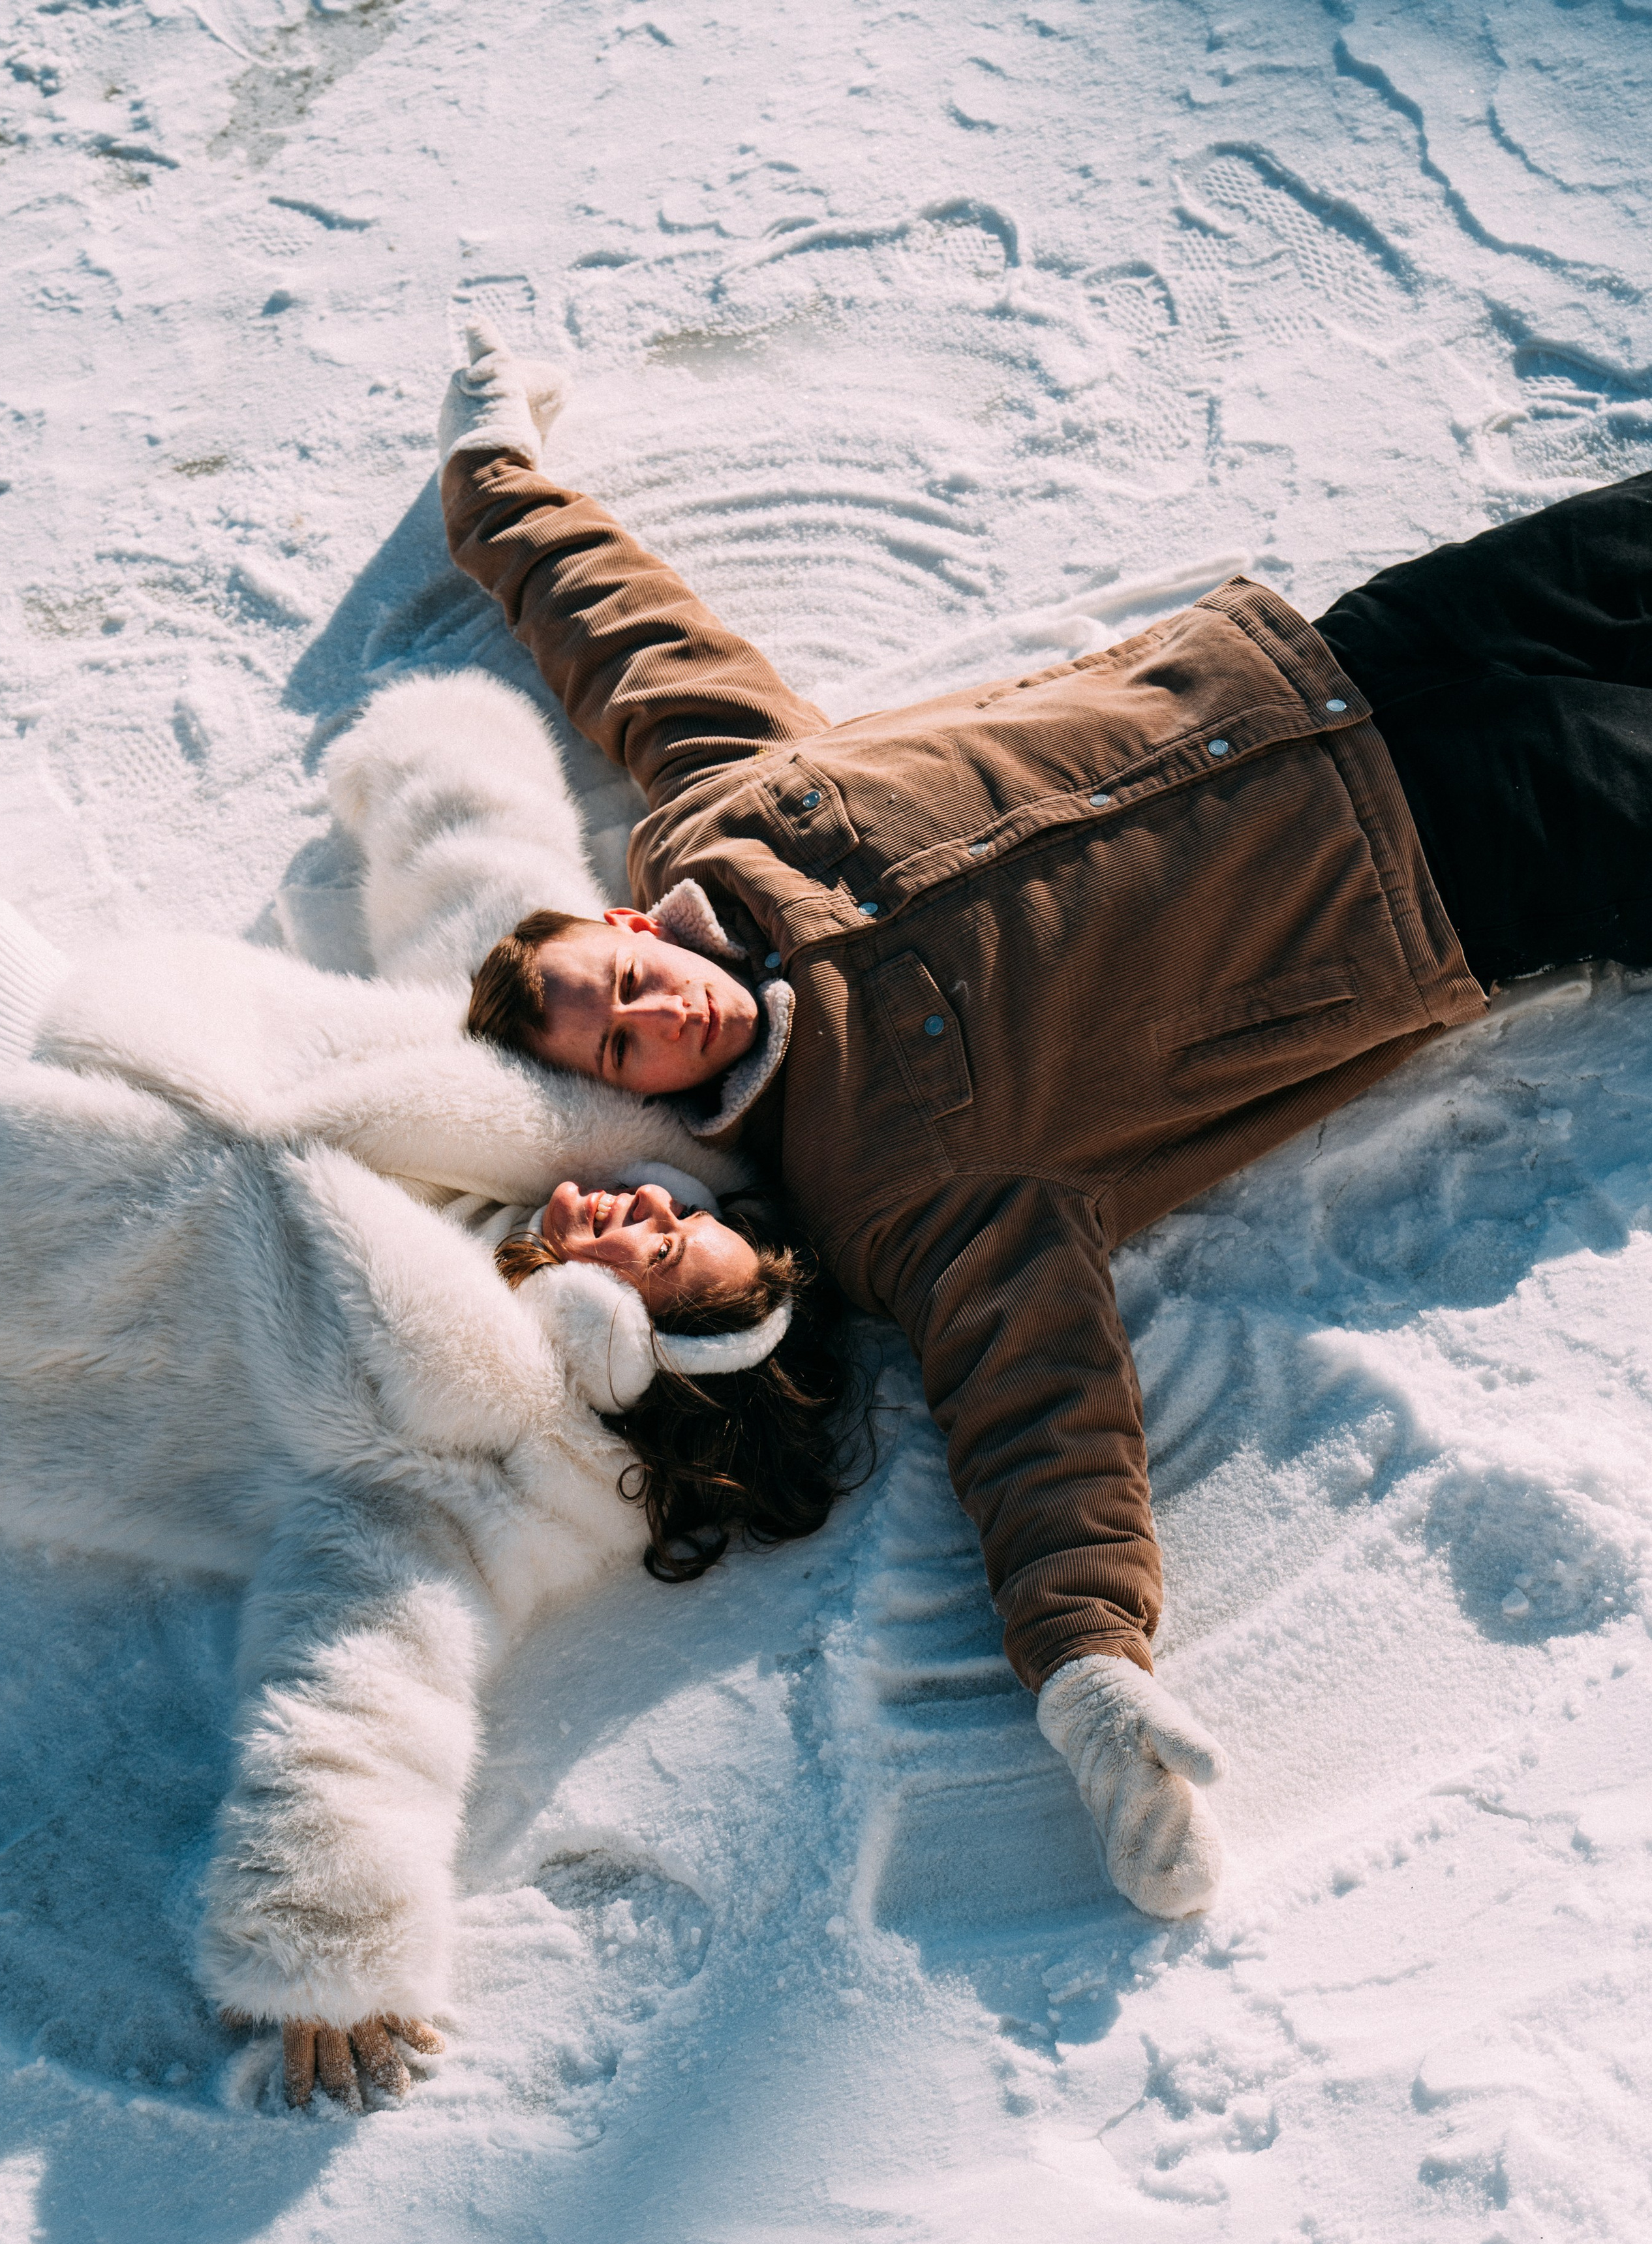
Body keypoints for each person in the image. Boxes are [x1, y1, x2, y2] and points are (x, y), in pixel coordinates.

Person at [437, 323, 1652, 1921]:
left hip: (1341, 663)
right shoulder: (895, 1190)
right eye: (624, 1048)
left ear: (630, 924)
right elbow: (1037, 1421)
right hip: (1448, 868)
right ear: (632, 1104)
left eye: (622, 982)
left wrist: (489, 482)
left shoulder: (728, 802)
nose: (654, 1017)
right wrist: (1090, 1681)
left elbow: (625, 635)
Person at [0, 668, 858, 2112]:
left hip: (30, 1267)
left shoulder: (490, 1464)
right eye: (667, 1209)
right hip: (83, 1031)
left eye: (645, 1258)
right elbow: (497, 918)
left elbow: (363, 1682)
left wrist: (332, 1946)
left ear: (622, 1345)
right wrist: (434, 763)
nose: (632, 1213)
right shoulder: (585, 1113)